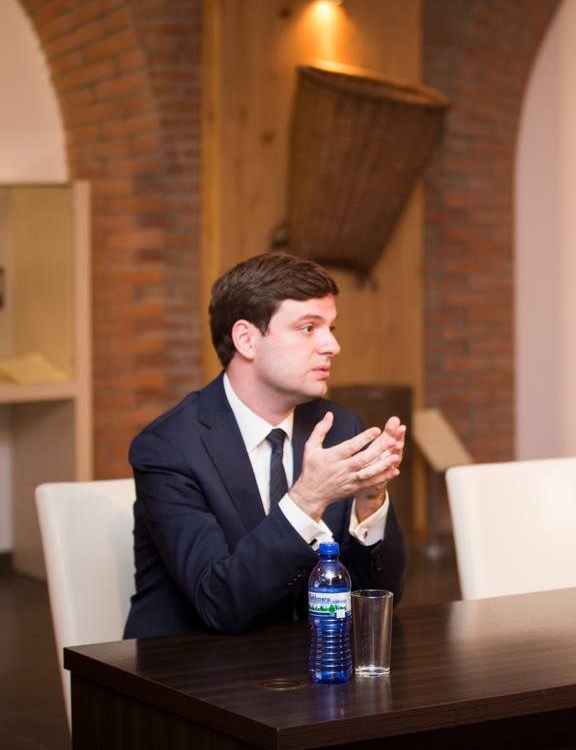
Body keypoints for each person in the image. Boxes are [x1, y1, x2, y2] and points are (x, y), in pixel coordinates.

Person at [124, 253, 407, 638]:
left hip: (304, 660)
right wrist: (307, 499)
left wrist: (369, 505)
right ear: (246, 339)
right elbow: (219, 603)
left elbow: (376, 599)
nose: (331, 345)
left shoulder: (338, 428)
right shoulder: (170, 448)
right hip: (187, 664)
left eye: (331, 328)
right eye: (308, 328)